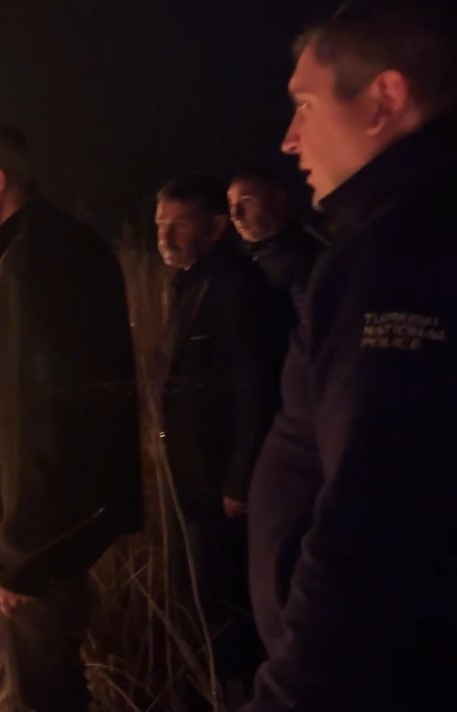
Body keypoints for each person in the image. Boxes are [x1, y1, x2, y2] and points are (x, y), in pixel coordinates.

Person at [245, 2, 457, 709]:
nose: (289, 139)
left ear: (384, 100)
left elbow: (378, 515)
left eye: (305, 105)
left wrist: (292, 693)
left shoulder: (398, 255)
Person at [0, 119, 141, 712]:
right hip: (47, 536)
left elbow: (37, 421)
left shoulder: (34, 265)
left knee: (28, 693)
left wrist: (21, 558)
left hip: (34, 545)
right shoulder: (42, 249)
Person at [152, 175, 283, 709]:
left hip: (219, 482)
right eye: (160, 223)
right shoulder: (190, 284)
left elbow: (257, 387)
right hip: (191, 475)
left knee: (224, 602)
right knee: (196, 594)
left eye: (179, 223)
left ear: (214, 226)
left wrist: (240, 477)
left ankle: (238, 694)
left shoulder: (235, 287)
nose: (165, 235)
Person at [226, 169, 326, 325]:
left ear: (278, 200)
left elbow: (313, 326)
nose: (235, 215)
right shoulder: (238, 255)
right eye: (232, 205)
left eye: (247, 201)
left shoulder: (303, 257)